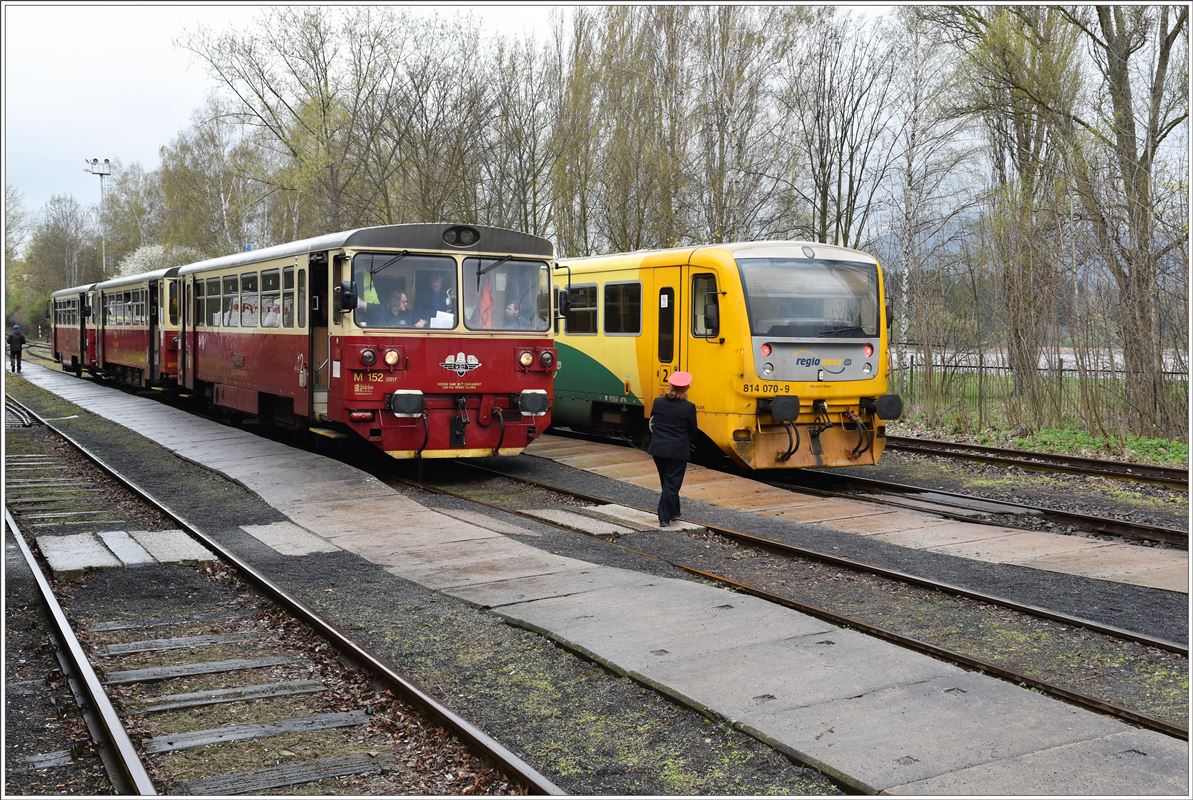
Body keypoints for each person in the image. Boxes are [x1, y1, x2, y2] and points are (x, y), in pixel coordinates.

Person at [647, 371, 698, 527]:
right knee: (672, 484)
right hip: (677, 451)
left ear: (670, 386)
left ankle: (674, 511)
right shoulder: (689, 407)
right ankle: (664, 517)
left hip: (658, 449)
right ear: (687, 388)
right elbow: (693, 431)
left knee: (667, 482)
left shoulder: (658, 402)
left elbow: (653, 421)